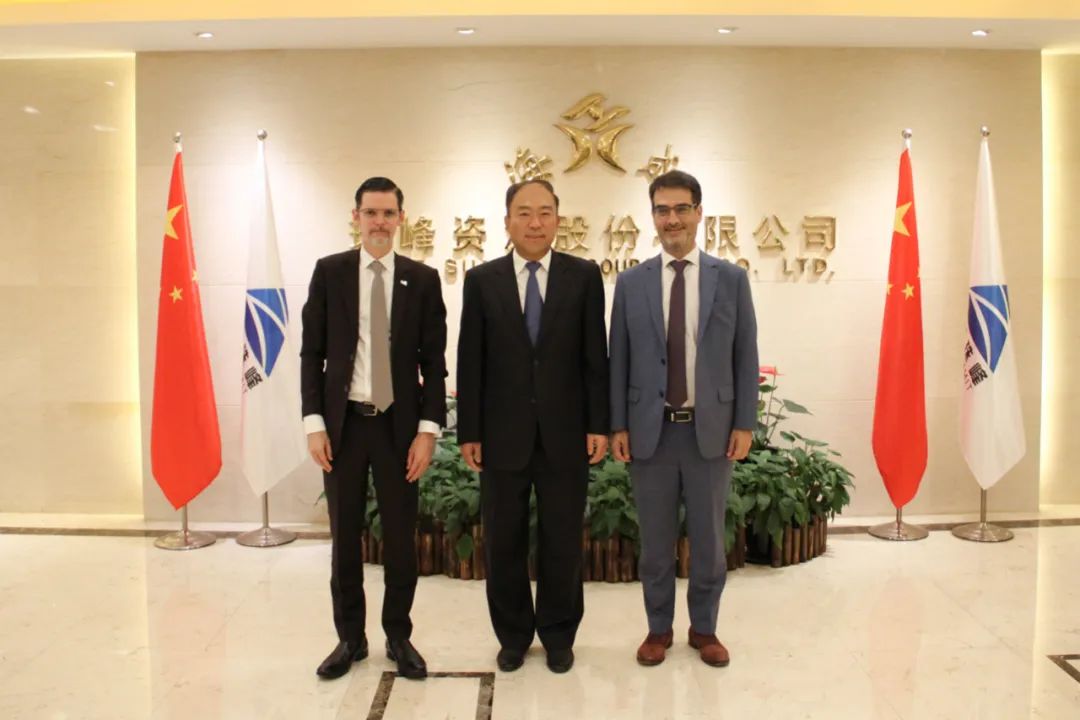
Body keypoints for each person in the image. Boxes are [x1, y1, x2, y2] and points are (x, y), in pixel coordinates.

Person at [456, 179, 609, 674]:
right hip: (502, 436)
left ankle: (559, 635)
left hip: (566, 433)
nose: (535, 222)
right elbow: (470, 360)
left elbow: (595, 356)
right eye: (524, 213)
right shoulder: (482, 280)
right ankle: (514, 636)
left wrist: (599, 424)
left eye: (545, 212)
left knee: (563, 541)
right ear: (507, 222)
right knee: (503, 541)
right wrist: (469, 431)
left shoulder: (583, 276)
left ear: (558, 220)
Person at [608, 169, 758, 668]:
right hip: (650, 433)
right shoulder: (631, 283)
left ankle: (704, 628)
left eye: (680, 209)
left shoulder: (730, 279)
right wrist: (618, 425)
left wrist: (745, 422)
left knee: (710, 541)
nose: (671, 219)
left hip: (709, 432)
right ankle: (658, 629)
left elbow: (745, 353)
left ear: (698, 213)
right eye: (662, 210)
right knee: (654, 543)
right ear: (652, 217)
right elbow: (618, 357)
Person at [301, 177, 447, 681]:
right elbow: (312, 354)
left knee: (401, 539)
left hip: (398, 429)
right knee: (345, 538)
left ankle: (398, 635)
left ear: (401, 218)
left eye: (388, 213)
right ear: (356, 217)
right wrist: (314, 423)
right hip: (344, 427)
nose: (379, 222)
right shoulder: (330, 273)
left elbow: (434, 363)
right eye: (371, 213)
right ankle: (350, 638)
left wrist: (428, 431)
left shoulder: (422, 280)